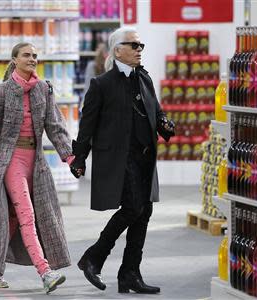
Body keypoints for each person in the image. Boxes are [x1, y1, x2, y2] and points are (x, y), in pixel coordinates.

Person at [70, 27, 175, 294]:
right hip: (119, 157)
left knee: (144, 212)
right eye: (134, 46)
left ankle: (130, 273)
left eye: (141, 46)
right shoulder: (101, 84)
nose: (140, 50)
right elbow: (87, 124)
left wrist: (164, 124)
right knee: (133, 208)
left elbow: (155, 109)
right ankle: (94, 257)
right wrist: (79, 156)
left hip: (145, 157)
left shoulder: (145, 78)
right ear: (118, 50)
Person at [0, 42, 74, 294]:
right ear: (14, 60)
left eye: (35, 56)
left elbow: (56, 126)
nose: (32, 59)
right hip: (10, 163)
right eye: (27, 55)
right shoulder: (0, 93)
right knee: (27, 215)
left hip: (37, 165)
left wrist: (70, 157)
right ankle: (45, 272)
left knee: (15, 219)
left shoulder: (44, 89)